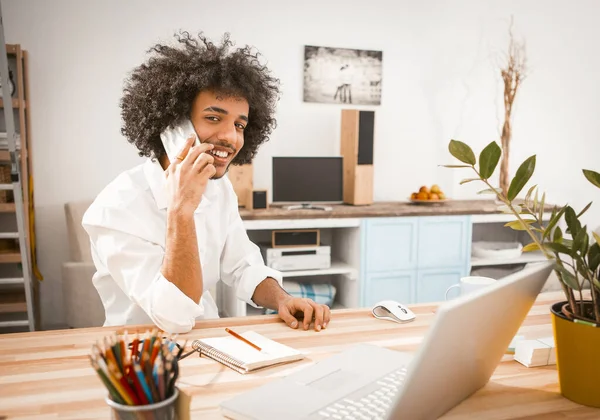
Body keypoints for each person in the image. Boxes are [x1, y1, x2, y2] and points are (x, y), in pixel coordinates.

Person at [82, 31, 331, 334]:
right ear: (172, 125)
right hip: (142, 356)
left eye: (240, 125)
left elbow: (242, 266)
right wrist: (181, 210)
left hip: (211, 341)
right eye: (214, 118)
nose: (231, 137)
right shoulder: (115, 208)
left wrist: (281, 298)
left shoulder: (217, 186)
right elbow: (173, 316)